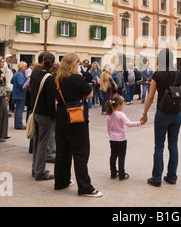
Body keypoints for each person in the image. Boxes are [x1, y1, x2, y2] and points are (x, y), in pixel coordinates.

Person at [140, 49, 181, 187]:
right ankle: (172, 177)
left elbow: (150, 97)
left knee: (159, 146)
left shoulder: (157, 75)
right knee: (173, 146)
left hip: (162, 113)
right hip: (176, 114)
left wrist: (144, 113)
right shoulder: (178, 75)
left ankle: (156, 179)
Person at [54, 53, 102, 197]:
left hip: (61, 118)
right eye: (77, 64)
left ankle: (61, 182)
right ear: (73, 65)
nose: (78, 66)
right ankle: (85, 187)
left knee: (62, 151)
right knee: (81, 153)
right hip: (77, 118)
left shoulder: (57, 78)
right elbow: (89, 94)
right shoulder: (76, 78)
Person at [106, 94, 144, 180]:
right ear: (119, 105)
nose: (123, 105)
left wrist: (111, 136)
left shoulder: (109, 115)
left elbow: (108, 129)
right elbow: (129, 124)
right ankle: (122, 174)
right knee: (121, 157)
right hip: (121, 139)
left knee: (113, 156)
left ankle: (113, 173)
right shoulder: (121, 115)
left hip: (112, 139)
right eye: (123, 104)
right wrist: (140, 123)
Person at [31, 53, 56, 180]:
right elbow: (51, 101)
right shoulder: (50, 78)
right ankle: (40, 172)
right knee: (43, 144)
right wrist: (53, 115)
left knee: (36, 142)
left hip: (36, 112)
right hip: (45, 114)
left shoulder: (36, 74)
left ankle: (35, 169)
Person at [11, 61, 27, 129]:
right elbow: (21, 83)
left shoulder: (16, 73)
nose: (26, 68)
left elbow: (11, 81)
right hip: (20, 94)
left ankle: (17, 124)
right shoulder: (20, 74)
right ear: (21, 67)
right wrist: (27, 82)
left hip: (16, 93)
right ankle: (19, 125)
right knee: (20, 110)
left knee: (18, 109)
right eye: (25, 67)